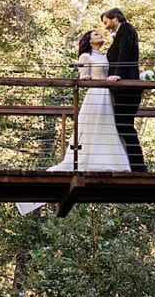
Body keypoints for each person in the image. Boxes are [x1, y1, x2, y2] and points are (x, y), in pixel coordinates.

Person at [17, 29, 129, 214]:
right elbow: (83, 78)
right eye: (95, 34)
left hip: (107, 94)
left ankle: (109, 161)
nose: (99, 35)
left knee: (107, 128)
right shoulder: (86, 56)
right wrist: (97, 80)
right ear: (89, 40)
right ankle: (30, 196)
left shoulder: (104, 54)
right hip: (95, 94)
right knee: (94, 128)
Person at [101, 7, 147, 172]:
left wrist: (118, 75)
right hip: (123, 86)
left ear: (115, 18)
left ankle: (138, 166)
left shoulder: (126, 29)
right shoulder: (120, 33)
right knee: (123, 124)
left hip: (127, 85)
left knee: (124, 124)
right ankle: (135, 165)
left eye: (106, 22)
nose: (105, 27)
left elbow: (125, 55)